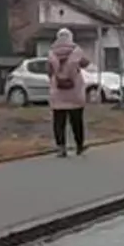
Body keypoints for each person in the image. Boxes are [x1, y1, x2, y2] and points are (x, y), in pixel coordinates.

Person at [46, 28, 89, 156]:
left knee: (59, 121)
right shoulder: (77, 51)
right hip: (75, 92)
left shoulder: (51, 52)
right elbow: (85, 63)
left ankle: (61, 148)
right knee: (77, 120)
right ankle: (79, 145)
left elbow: (49, 71)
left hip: (58, 92)